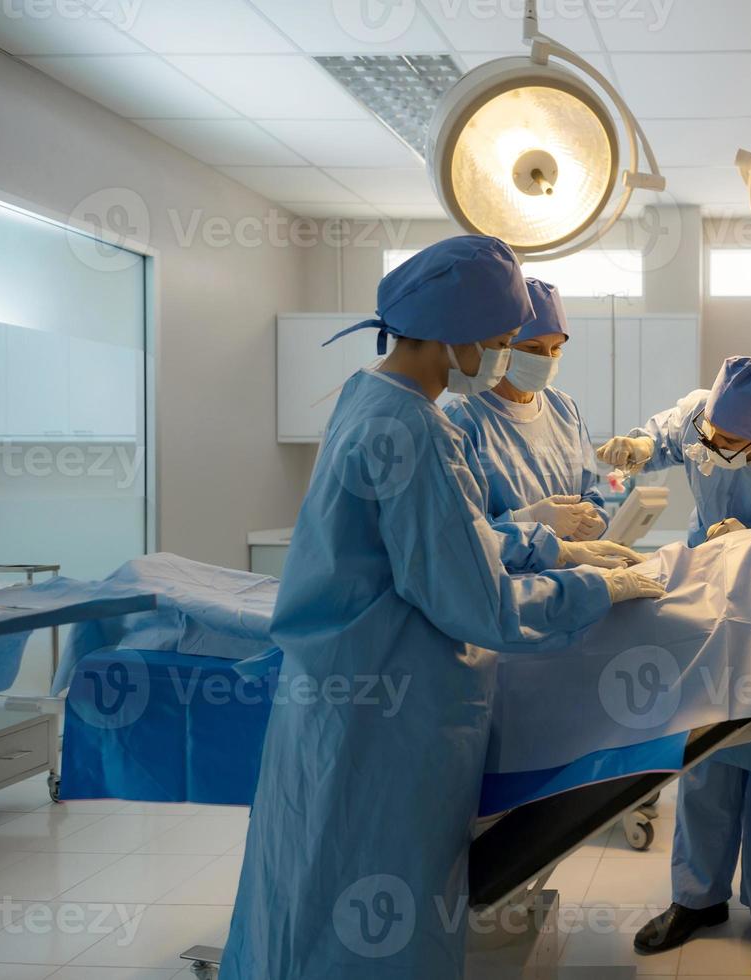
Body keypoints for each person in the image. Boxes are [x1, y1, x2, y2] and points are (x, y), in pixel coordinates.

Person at [221, 236, 665, 980]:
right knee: (371, 911)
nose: (500, 359)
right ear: (452, 334)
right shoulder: (417, 428)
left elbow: (443, 542)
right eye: (496, 342)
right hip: (386, 719)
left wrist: (553, 550)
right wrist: (598, 589)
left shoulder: (371, 395)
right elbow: (477, 604)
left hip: (340, 705)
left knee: (303, 886)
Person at [598, 355, 751, 980]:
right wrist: (636, 445)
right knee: (704, 759)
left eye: (728, 443)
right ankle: (697, 898)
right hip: (703, 605)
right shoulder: (706, 416)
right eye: (708, 435)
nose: (710, 447)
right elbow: (667, 436)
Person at [445, 277, 607, 543]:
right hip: (508, 581)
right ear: (501, 346)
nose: (546, 358)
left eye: (556, 348)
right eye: (532, 348)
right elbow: (457, 536)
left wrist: (595, 516)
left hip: (574, 577)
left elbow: (588, 490)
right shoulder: (462, 421)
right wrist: (525, 521)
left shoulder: (565, 409)